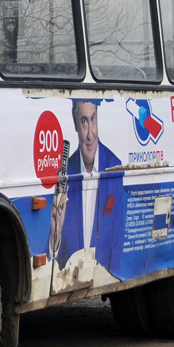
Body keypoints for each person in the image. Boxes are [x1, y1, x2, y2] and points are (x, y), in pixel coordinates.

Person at [49, 99, 124, 272]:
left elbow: (117, 242)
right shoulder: (65, 177)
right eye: (84, 121)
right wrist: (56, 235)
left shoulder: (114, 166)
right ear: (74, 122)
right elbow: (54, 262)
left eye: (93, 120)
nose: (90, 134)